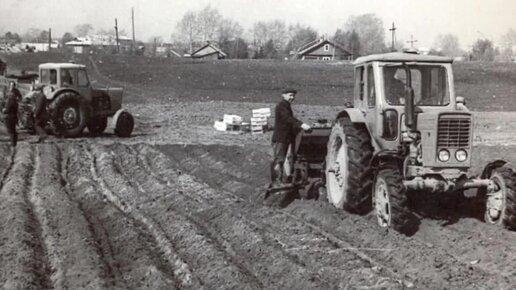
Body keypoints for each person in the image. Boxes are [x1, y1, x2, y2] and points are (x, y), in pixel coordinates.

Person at [270, 88, 311, 187]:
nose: (292, 98)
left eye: (293, 96)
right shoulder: (282, 106)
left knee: (283, 159)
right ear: (283, 95)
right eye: (290, 95)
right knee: (279, 160)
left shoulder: (286, 106)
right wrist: (301, 125)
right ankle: (276, 182)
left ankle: (281, 180)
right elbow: (288, 119)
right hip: (281, 138)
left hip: (285, 138)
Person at [3, 81, 20, 147]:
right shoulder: (7, 90)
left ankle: (13, 144)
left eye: (13, 85)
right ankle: (14, 143)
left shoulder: (15, 92)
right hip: (13, 114)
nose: (11, 86)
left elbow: (8, 109)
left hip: (10, 115)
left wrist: (5, 109)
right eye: (11, 85)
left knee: (11, 131)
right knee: (13, 130)